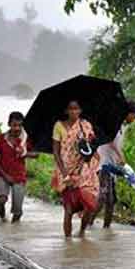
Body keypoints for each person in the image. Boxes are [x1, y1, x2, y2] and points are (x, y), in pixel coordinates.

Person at [52, 100, 99, 237]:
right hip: (66, 170)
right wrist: (64, 172)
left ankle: (82, 232)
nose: (74, 112)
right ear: (66, 111)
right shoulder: (58, 126)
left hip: (84, 170)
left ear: (80, 110)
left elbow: (93, 146)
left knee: (90, 205)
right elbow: (56, 151)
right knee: (68, 209)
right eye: (71, 109)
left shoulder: (85, 126)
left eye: (76, 109)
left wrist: (90, 153)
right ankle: (68, 241)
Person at [95, 100, 135, 228]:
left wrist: (119, 160)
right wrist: (121, 155)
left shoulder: (123, 127)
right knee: (104, 198)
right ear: (128, 113)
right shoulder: (113, 124)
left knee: (111, 200)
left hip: (112, 166)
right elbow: (110, 141)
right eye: (134, 115)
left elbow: (118, 144)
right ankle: (87, 224)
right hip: (104, 164)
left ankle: (106, 229)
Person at [0, 111, 36, 222]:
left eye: (20, 125)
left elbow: (36, 154)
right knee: (1, 200)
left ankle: (13, 232)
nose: (17, 128)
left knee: (17, 211)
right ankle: (2, 219)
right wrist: (5, 175)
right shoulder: (2, 139)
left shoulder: (25, 139)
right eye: (14, 125)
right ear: (9, 124)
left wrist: (24, 152)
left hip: (19, 176)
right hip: (2, 174)